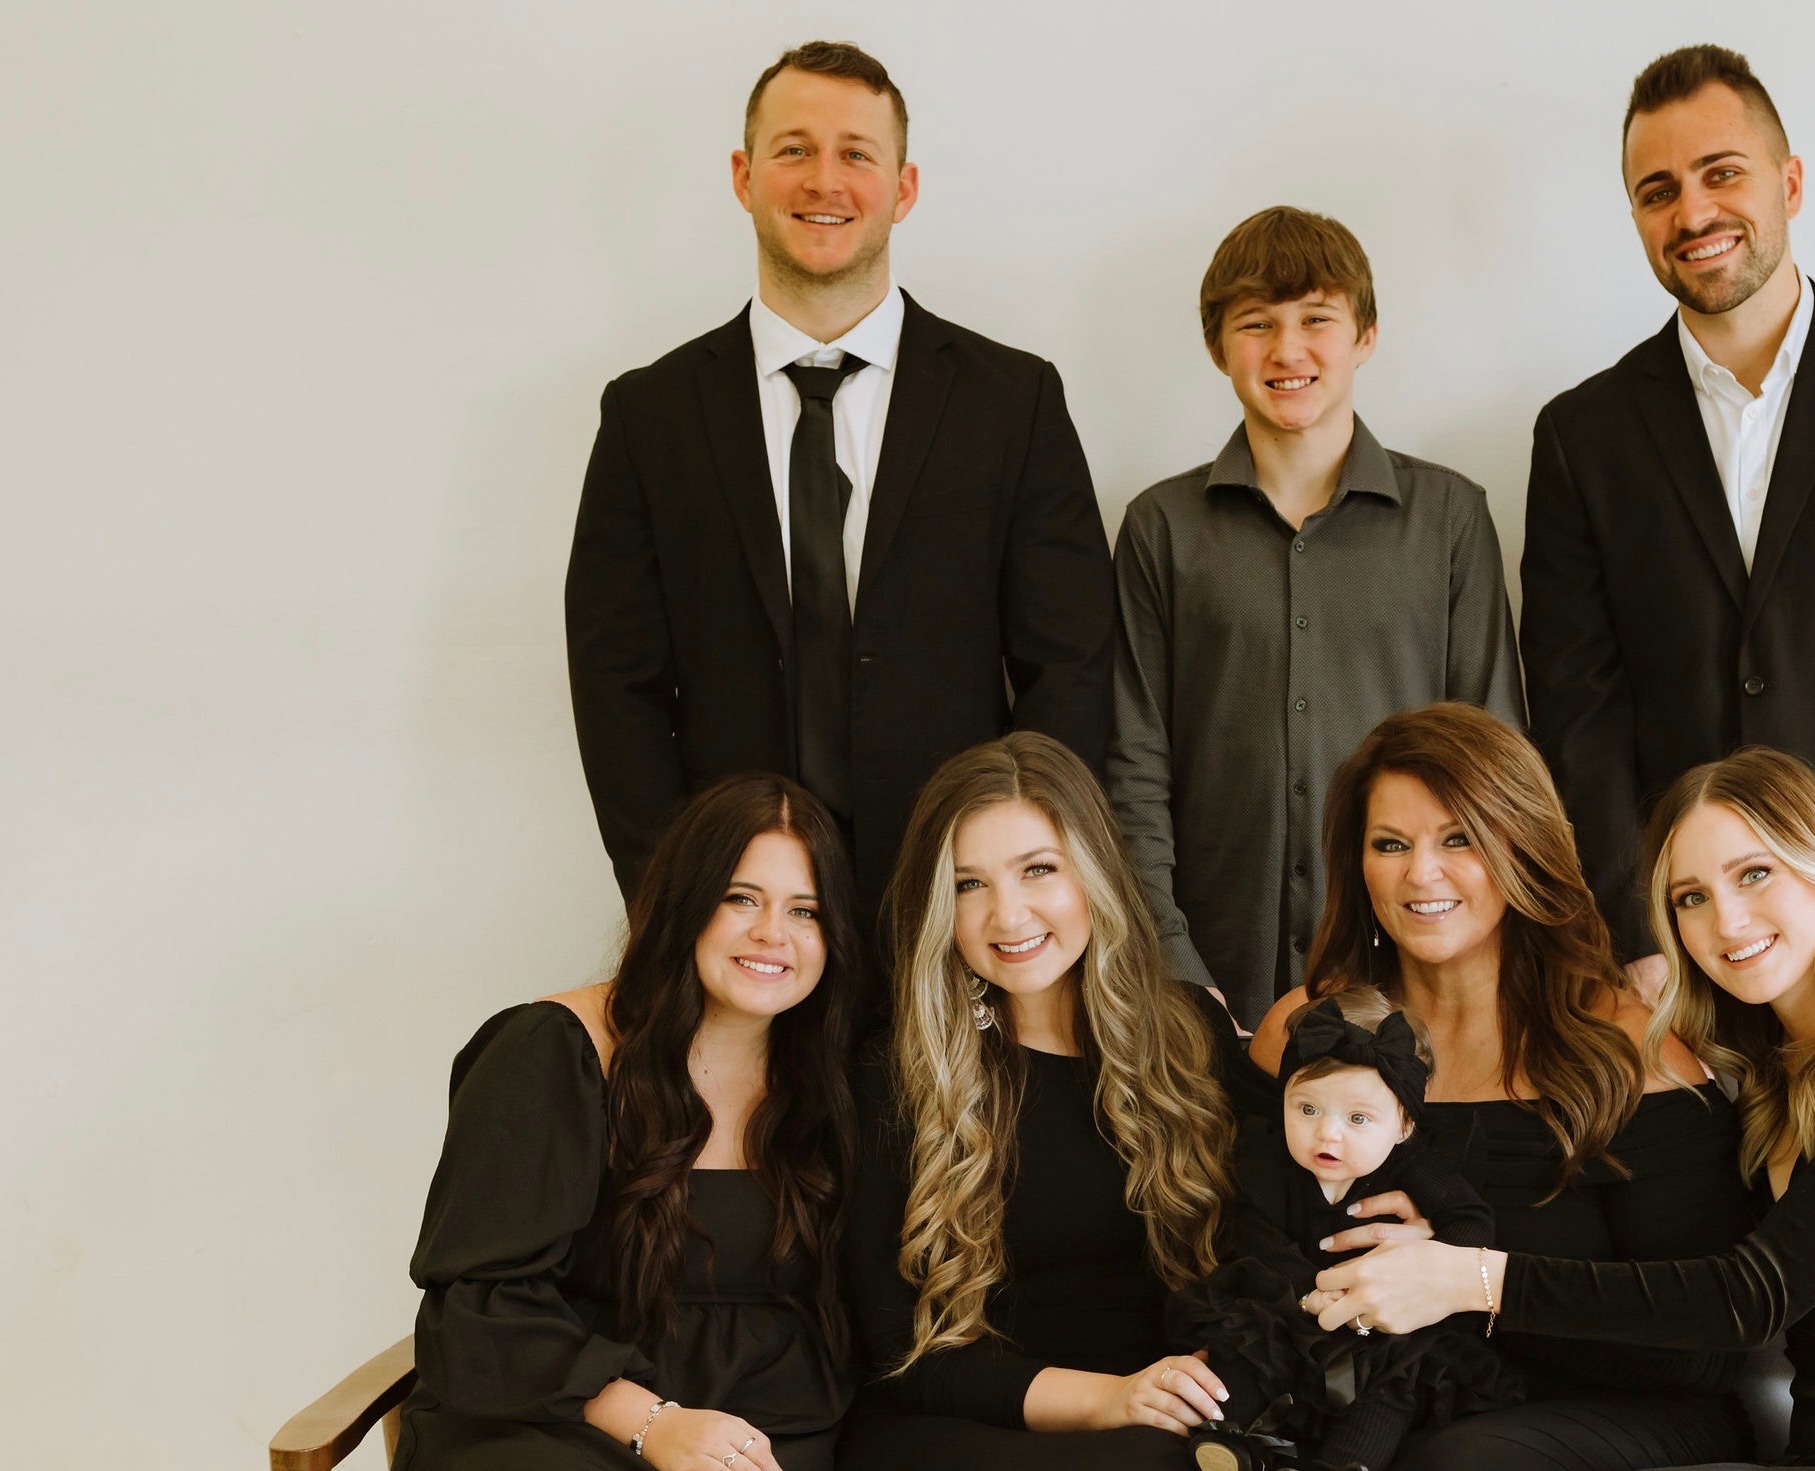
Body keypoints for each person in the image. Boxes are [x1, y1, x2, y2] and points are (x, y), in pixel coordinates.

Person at [1309, 747, 1815, 1471]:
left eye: (1754, 874)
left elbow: (1748, 1296)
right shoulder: (1758, 1060)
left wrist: (1470, 1278)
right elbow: (1669, 1274)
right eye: (1691, 897)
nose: (1727, 920)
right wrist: (1441, 1243)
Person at [567, 41, 1115, 940]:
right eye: (794, 149)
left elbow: (1070, 669)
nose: (825, 180)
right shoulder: (648, 415)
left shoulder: (1013, 401)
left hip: (957, 908)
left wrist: (1014, 884)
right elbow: (614, 685)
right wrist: (679, 899)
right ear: (744, 176)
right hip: (739, 919)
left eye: (856, 153)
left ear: (902, 188)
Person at [1520, 44, 1815, 1001]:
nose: (1691, 212)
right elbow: (1577, 708)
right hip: (1681, 942)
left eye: (1721, 173)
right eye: (1657, 191)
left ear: (1788, 182)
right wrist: (1635, 934)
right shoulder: (1580, 435)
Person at [1248, 703, 1756, 1471]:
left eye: (1458, 838)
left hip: (1621, 1409)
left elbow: (1704, 1347)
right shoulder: (1304, 1033)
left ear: (1521, 843)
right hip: (1377, 1399)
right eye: (1390, 843)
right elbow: (1248, 1245)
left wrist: (1462, 1283)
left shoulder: (1633, 1048)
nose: (1421, 873)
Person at [1109, 206, 1523, 1030]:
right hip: (1213, 977)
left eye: (1316, 319)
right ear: (1217, 347)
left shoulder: (1448, 518)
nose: (1287, 349)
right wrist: (1172, 963)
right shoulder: (1159, 527)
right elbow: (1134, 764)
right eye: (1255, 323)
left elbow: (1495, 758)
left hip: (1418, 973)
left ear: (1365, 335)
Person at [394, 774, 865, 1471]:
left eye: (806, 910)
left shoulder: (837, 1078)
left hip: (770, 1430)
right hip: (560, 1421)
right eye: (740, 898)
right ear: (685, 901)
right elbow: (477, 1305)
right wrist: (655, 1423)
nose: (773, 933)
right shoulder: (553, 1050)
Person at [840, 732, 1257, 1470]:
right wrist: (1112, 1400)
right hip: (965, 1426)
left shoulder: (1191, 1035)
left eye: (1038, 869)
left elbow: (1271, 1245)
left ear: (1094, 873)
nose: (1008, 916)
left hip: (1163, 1414)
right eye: (968, 885)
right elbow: (903, 1351)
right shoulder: (897, 1069)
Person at [1172, 988, 1525, 1471]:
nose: (1327, 1133)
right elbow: (1256, 1234)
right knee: (1242, 1347)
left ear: (1403, 1125)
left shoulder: (1418, 1167)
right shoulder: (1266, 1163)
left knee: (1394, 1383)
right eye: (1307, 1109)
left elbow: (1472, 1223)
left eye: (1358, 1118)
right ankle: (1234, 1441)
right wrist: (1309, 1292)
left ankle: (1346, 1463)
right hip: (1290, 1307)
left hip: (1382, 1324)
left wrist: (1427, 1265)